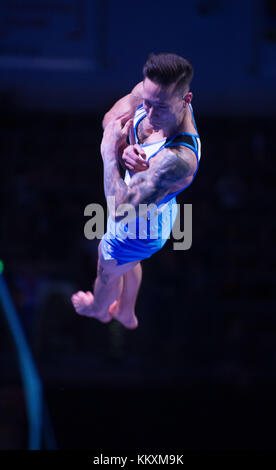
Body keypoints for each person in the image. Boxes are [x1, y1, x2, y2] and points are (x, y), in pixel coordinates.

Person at [71, 52, 201, 329]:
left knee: (107, 263)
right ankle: (126, 310)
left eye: (161, 108)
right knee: (128, 262)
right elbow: (111, 118)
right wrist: (123, 149)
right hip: (157, 207)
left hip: (139, 227)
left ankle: (99, 309)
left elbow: (120, 212)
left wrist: (109, 153)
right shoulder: (151, 92)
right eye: (147, 104)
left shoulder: (178, 159)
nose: (151, 114)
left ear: (186, 100)